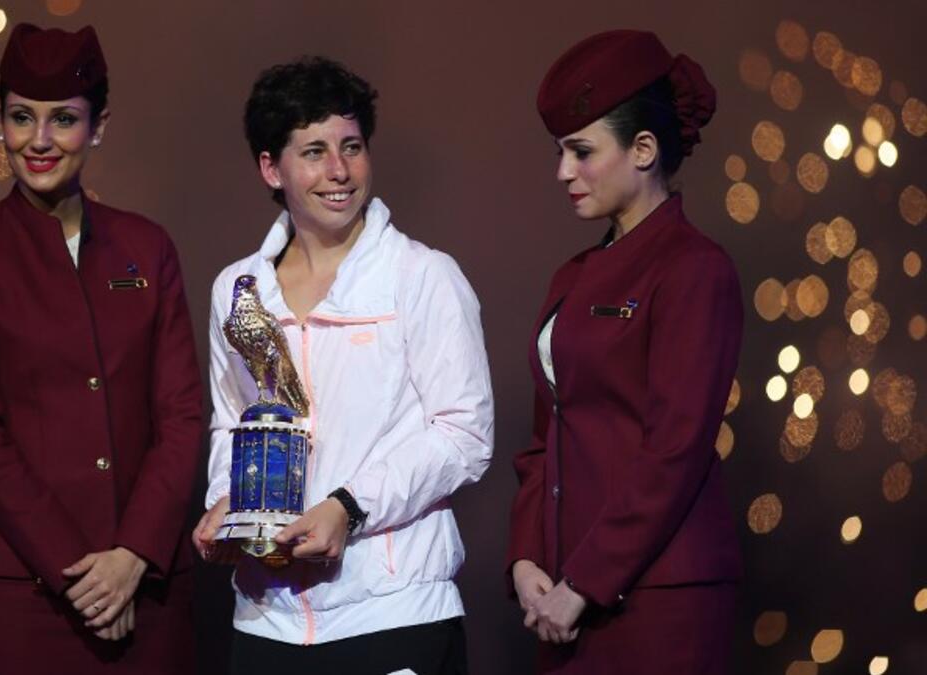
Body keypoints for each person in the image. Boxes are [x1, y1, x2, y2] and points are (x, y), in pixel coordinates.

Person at [191, 57, 493, 675]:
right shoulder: (238, 289)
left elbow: (465, 434)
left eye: (351, 147)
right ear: (271, 168)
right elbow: (232, 423)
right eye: (314, 152)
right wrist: (228, 502)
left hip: (392, 611)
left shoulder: (422, 275)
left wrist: (347, 508)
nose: (339, 171)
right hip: (266, 616)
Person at [0, 23, 202, 674]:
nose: (40, 140)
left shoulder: (147, 248)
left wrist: (134, 554)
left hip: (147, 590)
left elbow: (182, 416)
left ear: (98, 126)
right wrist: (83, 574)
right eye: (21, 117)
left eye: (64, 119)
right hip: (24, 598)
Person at [505, 30, 743, 674]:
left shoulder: (695, 268)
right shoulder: (573, 276)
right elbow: (545, 440)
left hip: (658, 599)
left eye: (581, 151)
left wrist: (585, 582)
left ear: (643, 149)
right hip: (561, 598)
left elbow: (675, 449)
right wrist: (525, 558)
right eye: (560, 152)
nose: (563, 172)